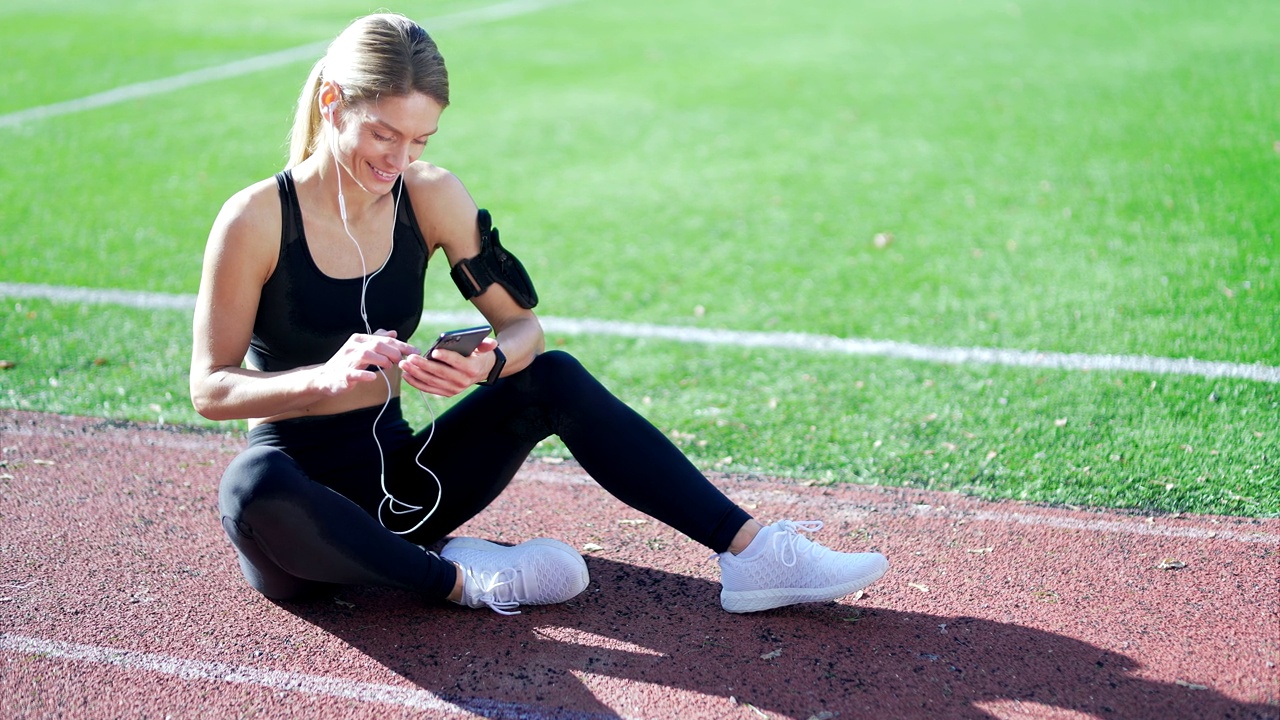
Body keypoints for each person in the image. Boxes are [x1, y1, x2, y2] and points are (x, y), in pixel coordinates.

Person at [190, 12, 888, 616]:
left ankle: (754, 554)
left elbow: (524, 328)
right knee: (249, 485)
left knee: (551, 374)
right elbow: (210, 387)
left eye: (421, 141)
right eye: (384, 136)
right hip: (300, 523)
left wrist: (490, 361)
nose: (400, 159)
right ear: (334, 100)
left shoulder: (432, 197)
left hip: (412, 489)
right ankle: (465, 581)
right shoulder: (253, 219)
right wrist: (321, 380)